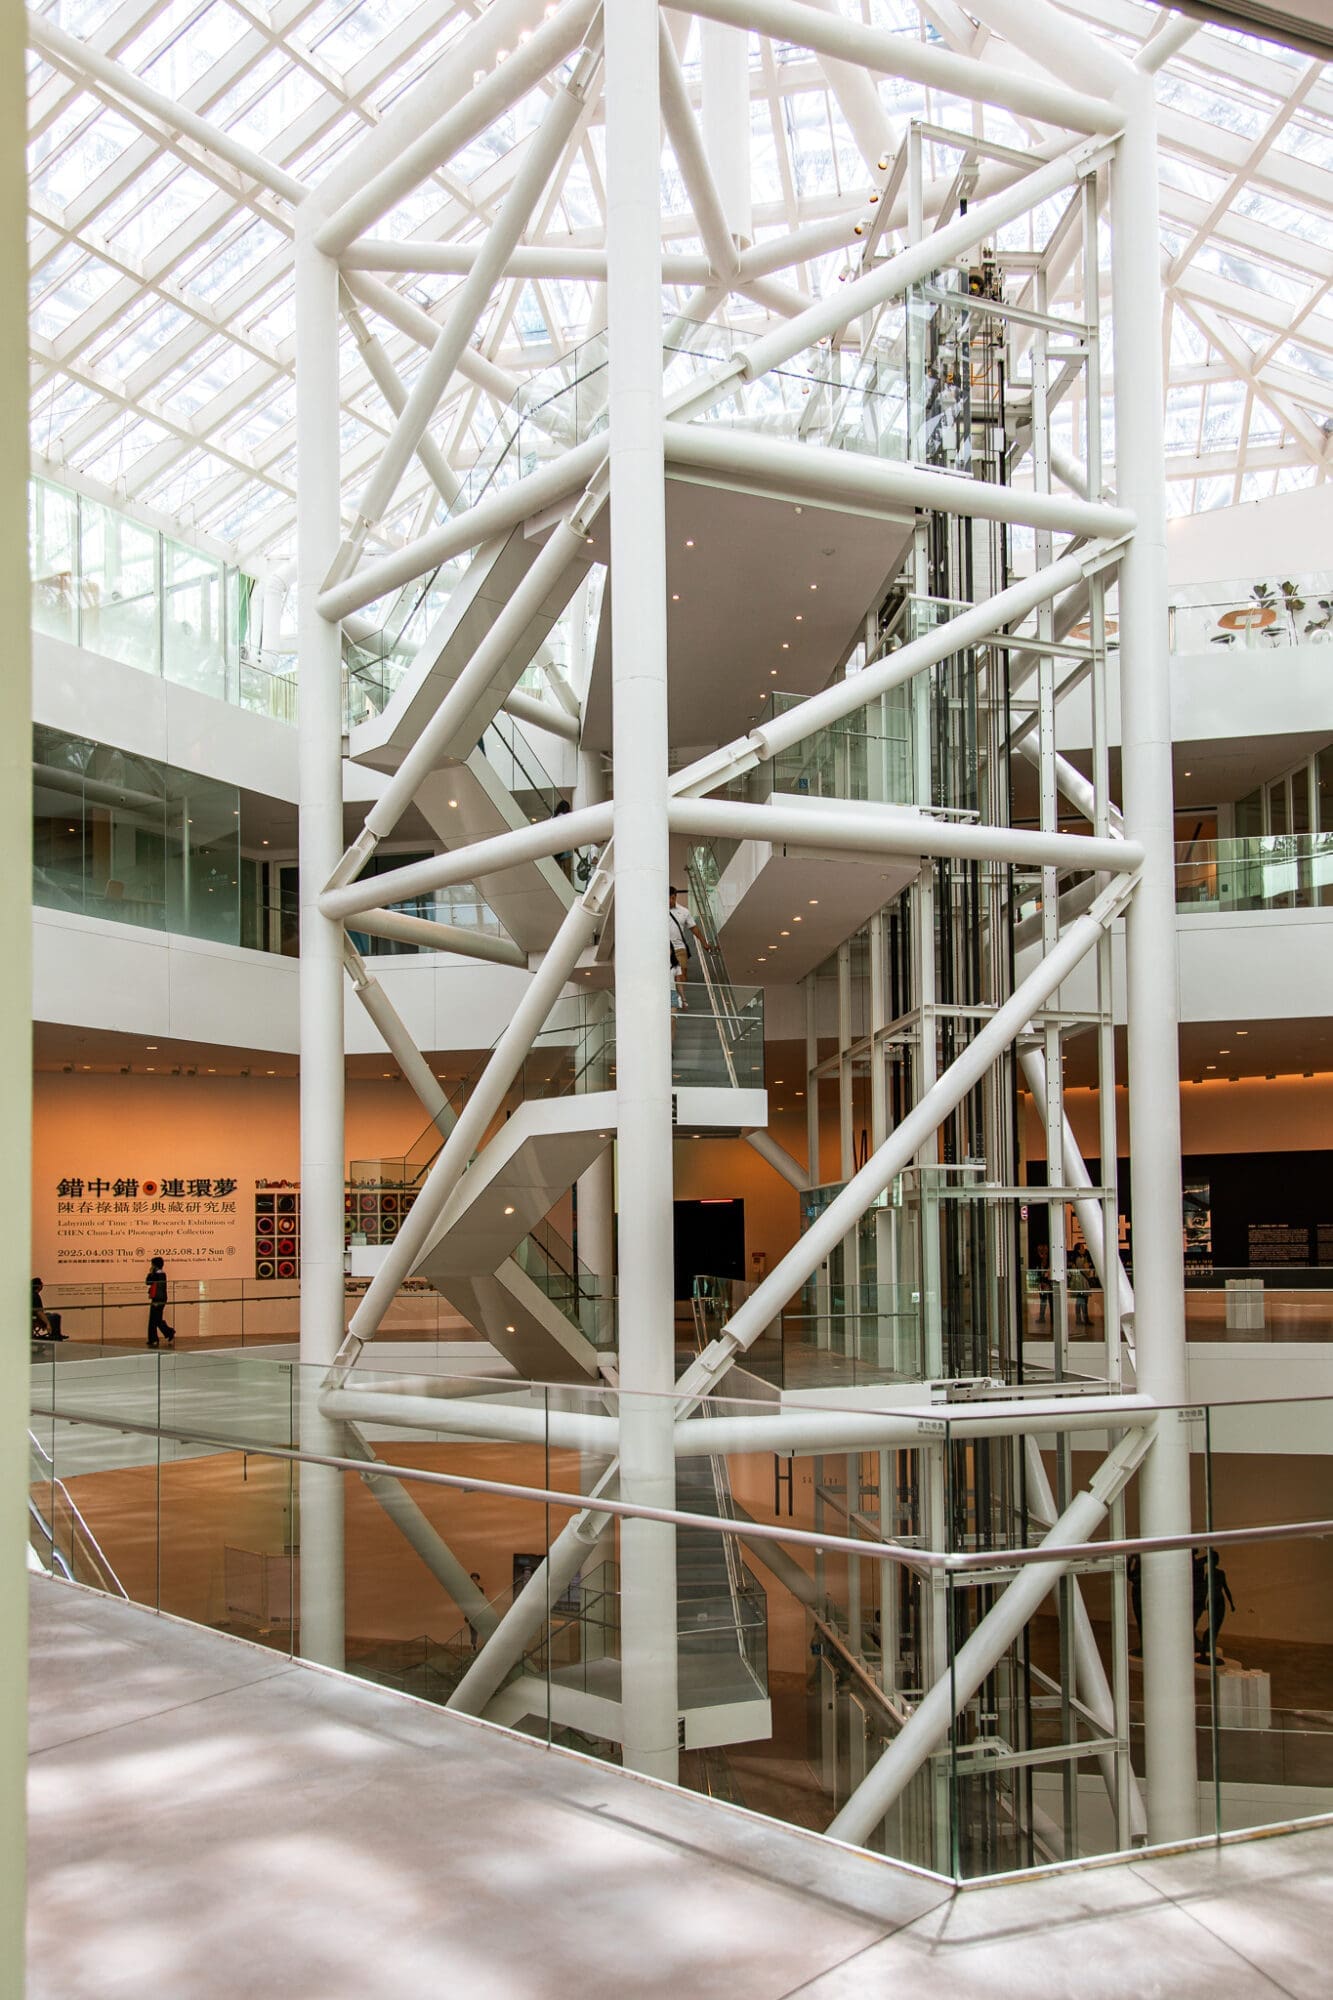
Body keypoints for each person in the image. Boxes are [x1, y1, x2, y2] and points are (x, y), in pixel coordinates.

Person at [1196, 1549, 1236, 1664]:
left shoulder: (1220, 1573)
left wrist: (1231, 1603)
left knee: (1216, 1627)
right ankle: (1204, 1650)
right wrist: (1203, 1602)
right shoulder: (1209, 1574)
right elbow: (1205, 1589)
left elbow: (1226, 1588)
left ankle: (1208, 1650)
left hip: (1219, 1601)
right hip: (1214, 1601)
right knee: (1212, 1627)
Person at [145, 1256, 176, 1349]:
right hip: (161, 1298)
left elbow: (148, 1281)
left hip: (158, 1299)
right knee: (157, 1319)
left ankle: (156, 1337)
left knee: (154, 1319)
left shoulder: (157, 1274)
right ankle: (166, 1333)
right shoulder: (162, 1274)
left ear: (155, 1265)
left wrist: (151, 1272)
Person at [31, 1276, 65, 1341]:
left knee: (50, 1314)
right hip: (35, 1318)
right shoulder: (35, 1296)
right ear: (39, 1286)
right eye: (41, 1284)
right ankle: (55, 1335)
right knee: (55, 1316)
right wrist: (47, 1323)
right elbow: (39, 1312)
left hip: (33, 1317)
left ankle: (55, 1334)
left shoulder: (32, 1294)